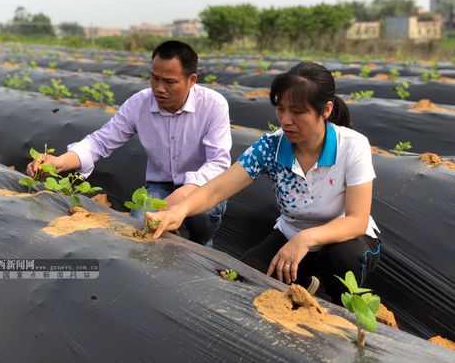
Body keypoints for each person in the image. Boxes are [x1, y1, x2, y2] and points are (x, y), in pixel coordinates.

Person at [148, 61, 381, 303]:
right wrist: (179, 210)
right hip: (292, 233)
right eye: (281, 109)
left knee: (342, 259)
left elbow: (356, 220)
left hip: (343, 237)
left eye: (298, 112)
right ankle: (304, 282)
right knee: (248, 280)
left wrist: (305, 238)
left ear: (326, 110)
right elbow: (217, 189)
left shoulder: (352, 145)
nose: (286, 120)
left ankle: (342, 308)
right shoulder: (271, 147)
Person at [27, 40, 231, 246]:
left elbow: (218, 164)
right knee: (140, 227)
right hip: (160, 184)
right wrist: (59, 162)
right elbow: (100, 142)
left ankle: (201, 245)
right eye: (154, 78)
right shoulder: (139, 104)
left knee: (205, 213)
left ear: (191, 80)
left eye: (169, 82)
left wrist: (181, 198)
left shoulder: (213, 105)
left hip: (202, 185)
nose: (159, 88)